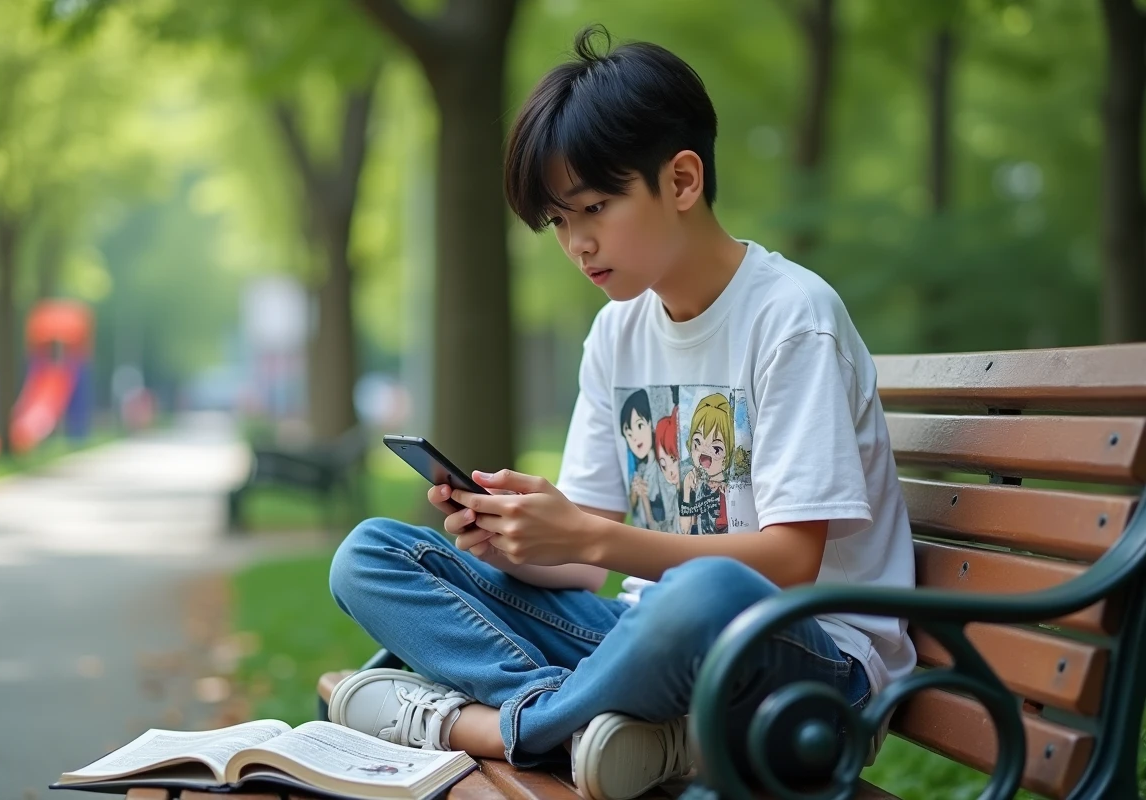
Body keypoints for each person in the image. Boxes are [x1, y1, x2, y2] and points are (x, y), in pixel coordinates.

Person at [325, 25, 916, 800]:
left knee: (704, 590)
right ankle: (601, 729)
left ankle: (481, 727)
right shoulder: (618, 332)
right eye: (558, 222)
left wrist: (590, 536)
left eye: (595, 207)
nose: (577, 243)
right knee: (370, 556)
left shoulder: (791, 319)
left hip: (804, 662)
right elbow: (586, 565)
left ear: (682, 180)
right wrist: (518, 540)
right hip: (648, 642)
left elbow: (790, 562)